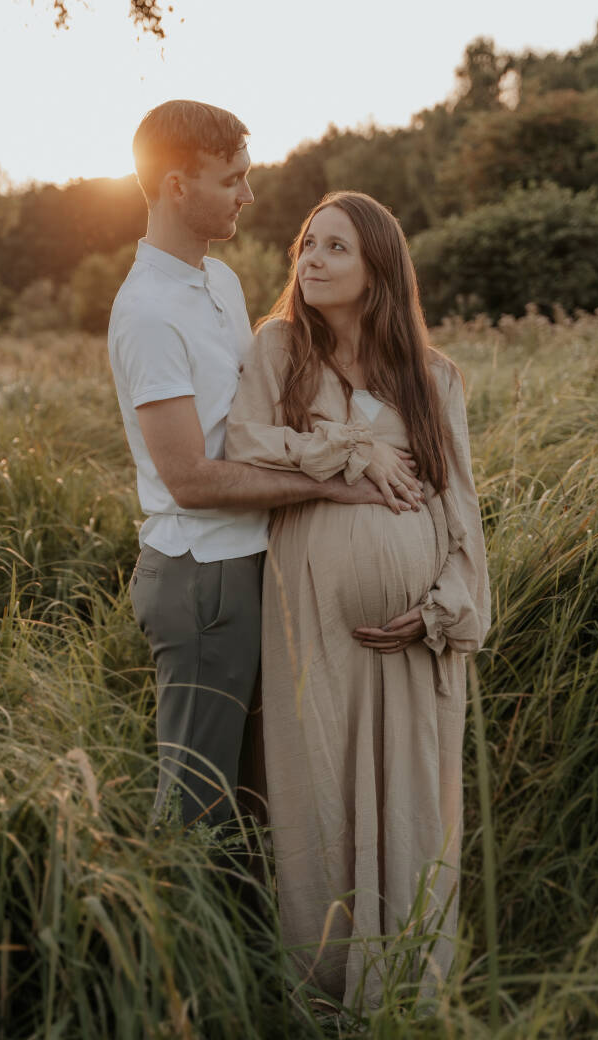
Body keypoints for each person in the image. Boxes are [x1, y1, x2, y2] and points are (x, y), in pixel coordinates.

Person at [107, 103, 421, 831]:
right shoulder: (149, 312)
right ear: (179, 186)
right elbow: (189, 477)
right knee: (195, 807)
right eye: (233, 179)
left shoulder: (216, 283)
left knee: (251, 794)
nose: (248, 195)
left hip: (251, 564)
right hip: (202, 577)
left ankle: (244, 941)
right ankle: (166, 937)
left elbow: (260, 421)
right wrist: (332, 484)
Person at [225, 190, 490, 1007]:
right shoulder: (279, 350)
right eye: (307, 244)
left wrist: (442, 606)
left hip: (414, 637)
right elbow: (246, 442)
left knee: (411, 799)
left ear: (378, 265)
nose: (311, 259)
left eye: (335, 247)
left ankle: (407, 990)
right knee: (320, 795)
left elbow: (459, 510)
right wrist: (352, 454)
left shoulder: (432, 376)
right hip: (310, 616)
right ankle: (325, 996)